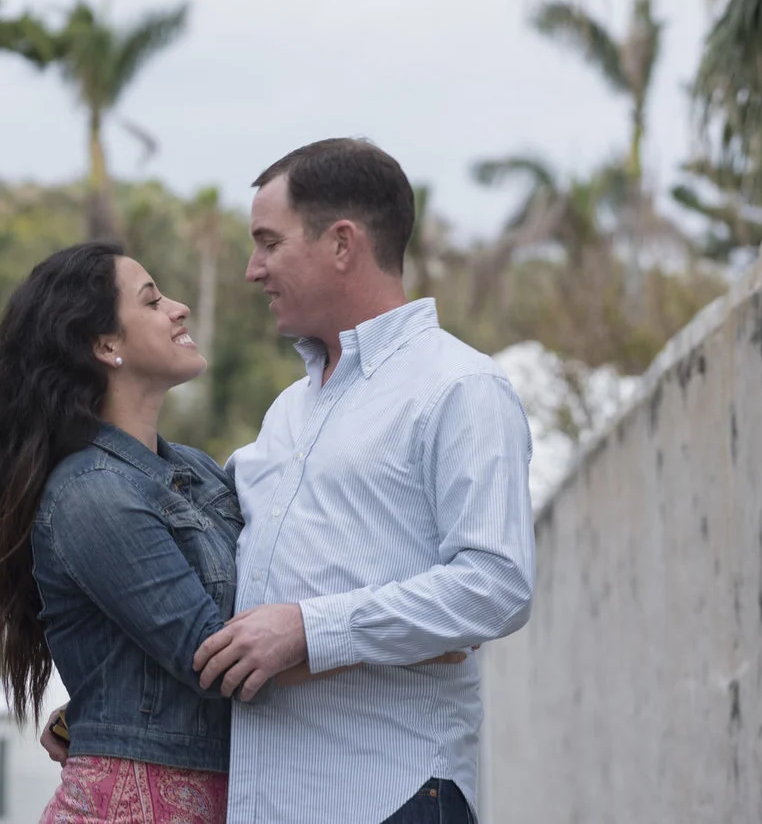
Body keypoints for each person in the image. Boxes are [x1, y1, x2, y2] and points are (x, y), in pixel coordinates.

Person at [192, 138, 536, 824]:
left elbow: (496, 583)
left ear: (342, 243)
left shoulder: (459, 386)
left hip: (394, 798)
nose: (252, 269)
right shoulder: (288, 411)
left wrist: (311, 630)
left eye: (268, 242)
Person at [0, 242, 242, 824]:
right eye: (153, 301)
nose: (180, 308)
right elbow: (213, 658)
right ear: (105, 345)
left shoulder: (193, 470)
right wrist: (377, 644)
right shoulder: (91, 494)